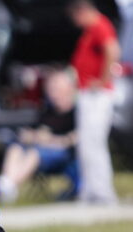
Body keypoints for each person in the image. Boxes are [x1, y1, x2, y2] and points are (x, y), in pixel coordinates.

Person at [0, 68, 79, 203]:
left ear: (69, 89)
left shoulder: (77, 112)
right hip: (42, 150)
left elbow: (72, 140)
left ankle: (6, 187)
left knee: (34, 153)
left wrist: (50, 140)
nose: (53, 94)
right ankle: (7, 184)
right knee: (15, 148)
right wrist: (32, 136)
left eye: (57, 89)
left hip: (64, 155)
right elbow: (38, 131)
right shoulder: (47, 111)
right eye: (50, 89)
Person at [68, 0, 120, 204]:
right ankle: (90, 190)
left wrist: (103, 80)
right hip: (87, 94)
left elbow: (112, 50)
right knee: (86, 144)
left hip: (97, 95)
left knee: (95, 142)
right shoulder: (91, 30)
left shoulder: (100, 25)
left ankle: (103, 192)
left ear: (82, 12)